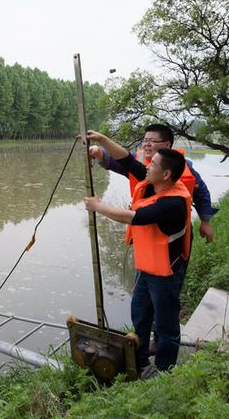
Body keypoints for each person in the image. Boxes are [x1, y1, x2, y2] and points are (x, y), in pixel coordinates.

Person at [84, 131, 191, 378]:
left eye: (152, 163)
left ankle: (164, 371)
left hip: (166, 271)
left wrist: (98, 207)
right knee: (140, 315)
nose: (147, 163)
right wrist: (101, 139)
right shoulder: (154, 181)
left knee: (165, 324)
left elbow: (135, 217)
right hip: (147, 267)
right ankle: (139, 361)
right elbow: (125, 160)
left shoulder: (172, 202)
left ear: (165, 174)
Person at [89, 124, 217, 243]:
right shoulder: (147, 170)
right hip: (145, 229)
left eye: (152, 141)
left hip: (169, 234)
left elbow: (202, 193)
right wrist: (99, 147)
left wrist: (205, 221)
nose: (146, 144)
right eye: (145, 140)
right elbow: (125, 161)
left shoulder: (175, 193)